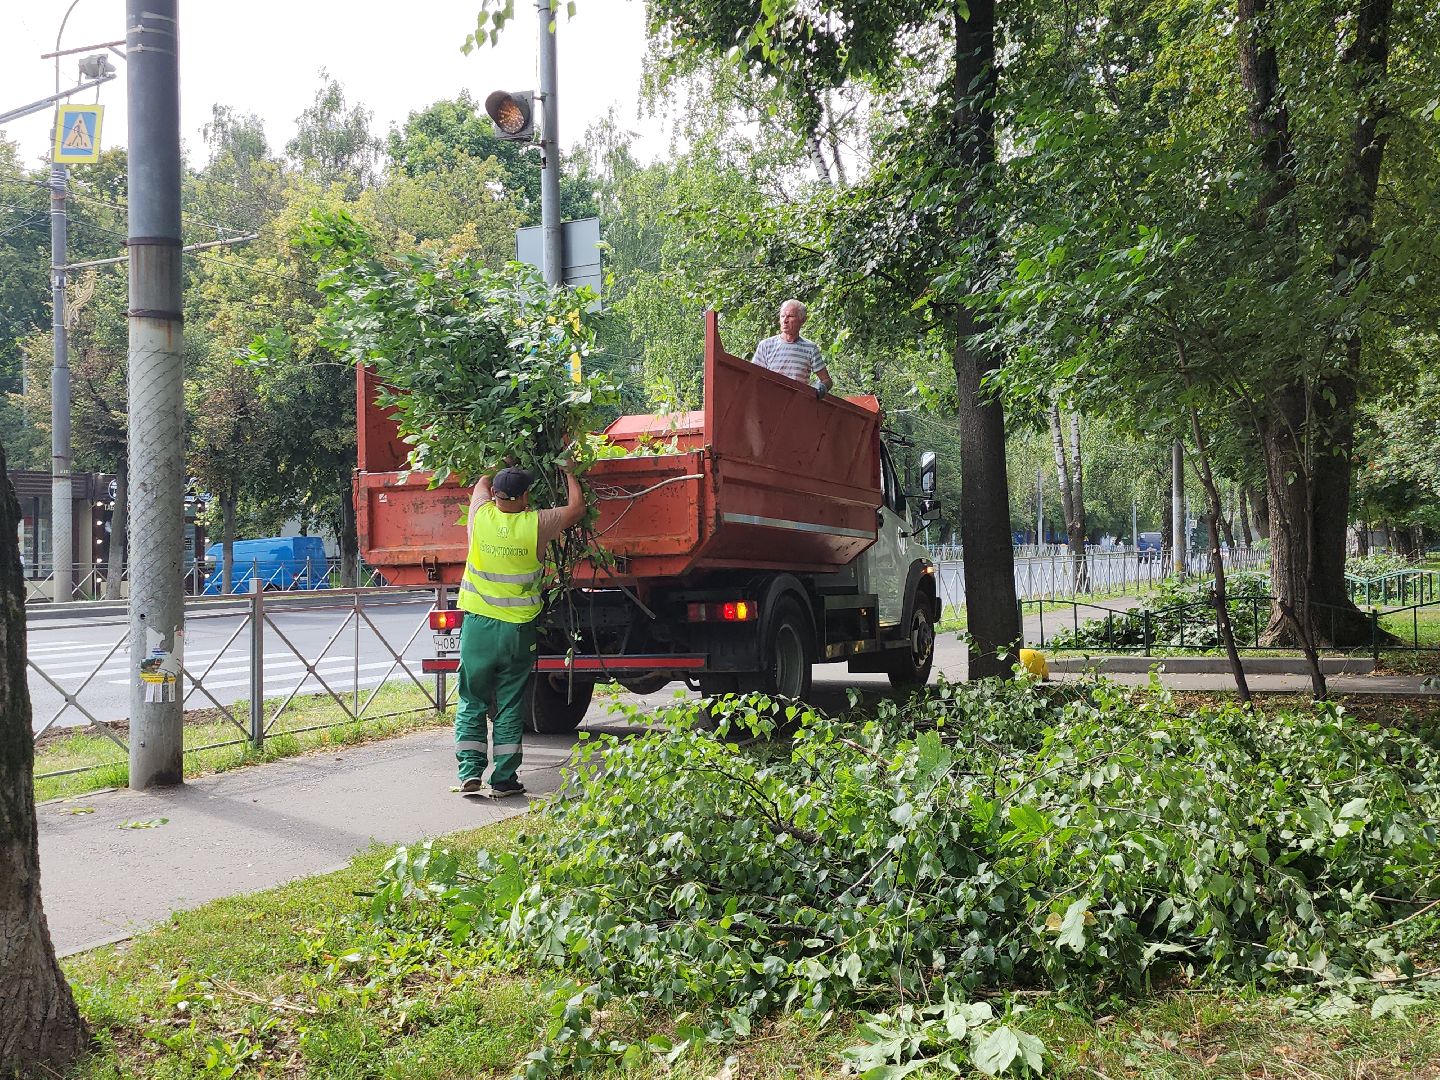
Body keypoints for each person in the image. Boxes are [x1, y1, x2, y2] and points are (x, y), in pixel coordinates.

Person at [453, 461, 586, 797]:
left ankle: (469, 773)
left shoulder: (480, 515)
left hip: (478, 626)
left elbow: (481, 482)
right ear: (527, 496)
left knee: (472, 698)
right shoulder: (537, 523)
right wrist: (570, 471)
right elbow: (577, 509)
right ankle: (504, 780)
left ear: (495, 495)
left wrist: (497, 465)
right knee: (511, 703)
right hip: (517, 630)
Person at [752, 299, 834, 399]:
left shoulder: (810, 348)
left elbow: (826, 380)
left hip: (796, 403)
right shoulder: (766, 345)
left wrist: (821, 387)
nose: (785, 320)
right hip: (769, 401)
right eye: (782, 316)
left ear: (803, 320)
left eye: (790, 316)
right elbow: (754, 376)